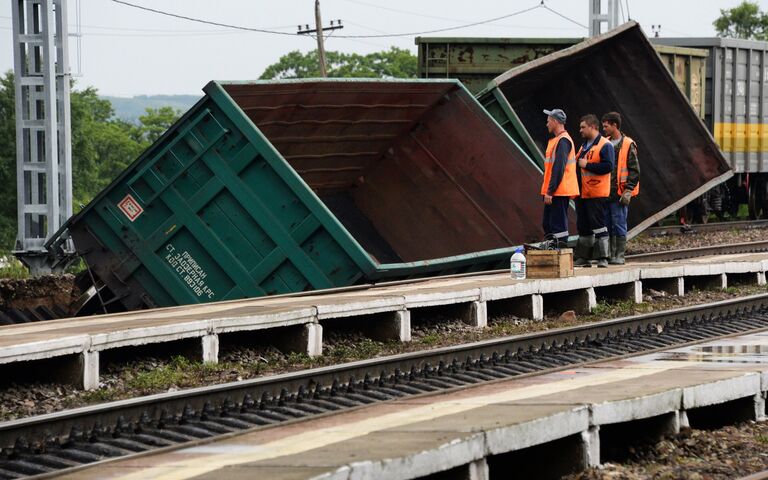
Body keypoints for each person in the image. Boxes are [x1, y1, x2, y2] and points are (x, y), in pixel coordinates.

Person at [574, 114, 615, 268]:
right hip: (583, 193)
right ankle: (584, 257)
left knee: (598, 225)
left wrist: (587, 165)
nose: (580, 130)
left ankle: (603, 257)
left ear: (592, 127)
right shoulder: (584, 145)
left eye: (583, 127)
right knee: (583, 225)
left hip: (596, 193)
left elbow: (608, 166)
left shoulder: (605, 145)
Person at [601, 112, 640, 265]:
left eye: (606, 126)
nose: (603, 129)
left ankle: (619, 255)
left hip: (619, 194)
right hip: (606, 193)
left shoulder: (628, 144)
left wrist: (628, 190)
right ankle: (611, 255)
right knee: (608, 224)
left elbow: (634, 170)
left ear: (614, 125)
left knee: (618, 224)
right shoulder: (604, 143)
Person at [541, 109, 579, 248]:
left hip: (558, 191)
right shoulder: (558, 140)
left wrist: (550, 191)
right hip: (555, 190)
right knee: (549, 224)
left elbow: (558, 169)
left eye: (549, 121)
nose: (547, 124)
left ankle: (560, 252)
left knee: (558, 225)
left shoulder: (563, 141)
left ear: (556, 121)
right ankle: (553, 250)